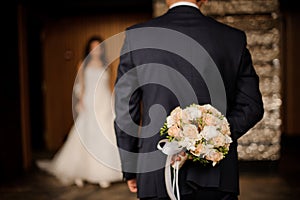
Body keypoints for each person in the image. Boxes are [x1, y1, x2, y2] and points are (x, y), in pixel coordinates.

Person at [114, 0, 264, 199]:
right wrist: (211, 137)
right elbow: (252, 106)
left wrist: (130, 167)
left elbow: (126, 111)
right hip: (217, 172)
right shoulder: (232, 38)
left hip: (155, 172)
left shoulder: (137, 37)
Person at [37, 36, 122, 188]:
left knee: (105, 134)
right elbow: (80, 85)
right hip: (90, 102)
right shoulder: (83, 64)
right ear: (89, 49)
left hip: (104, 102)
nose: (96, 50)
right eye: (93, 47)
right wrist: (80, 101)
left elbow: (110, 86)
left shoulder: (106, 65)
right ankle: (79, 173)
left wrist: (113, 102)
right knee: (86, 135)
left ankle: (104, 173)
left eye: (99, 47)